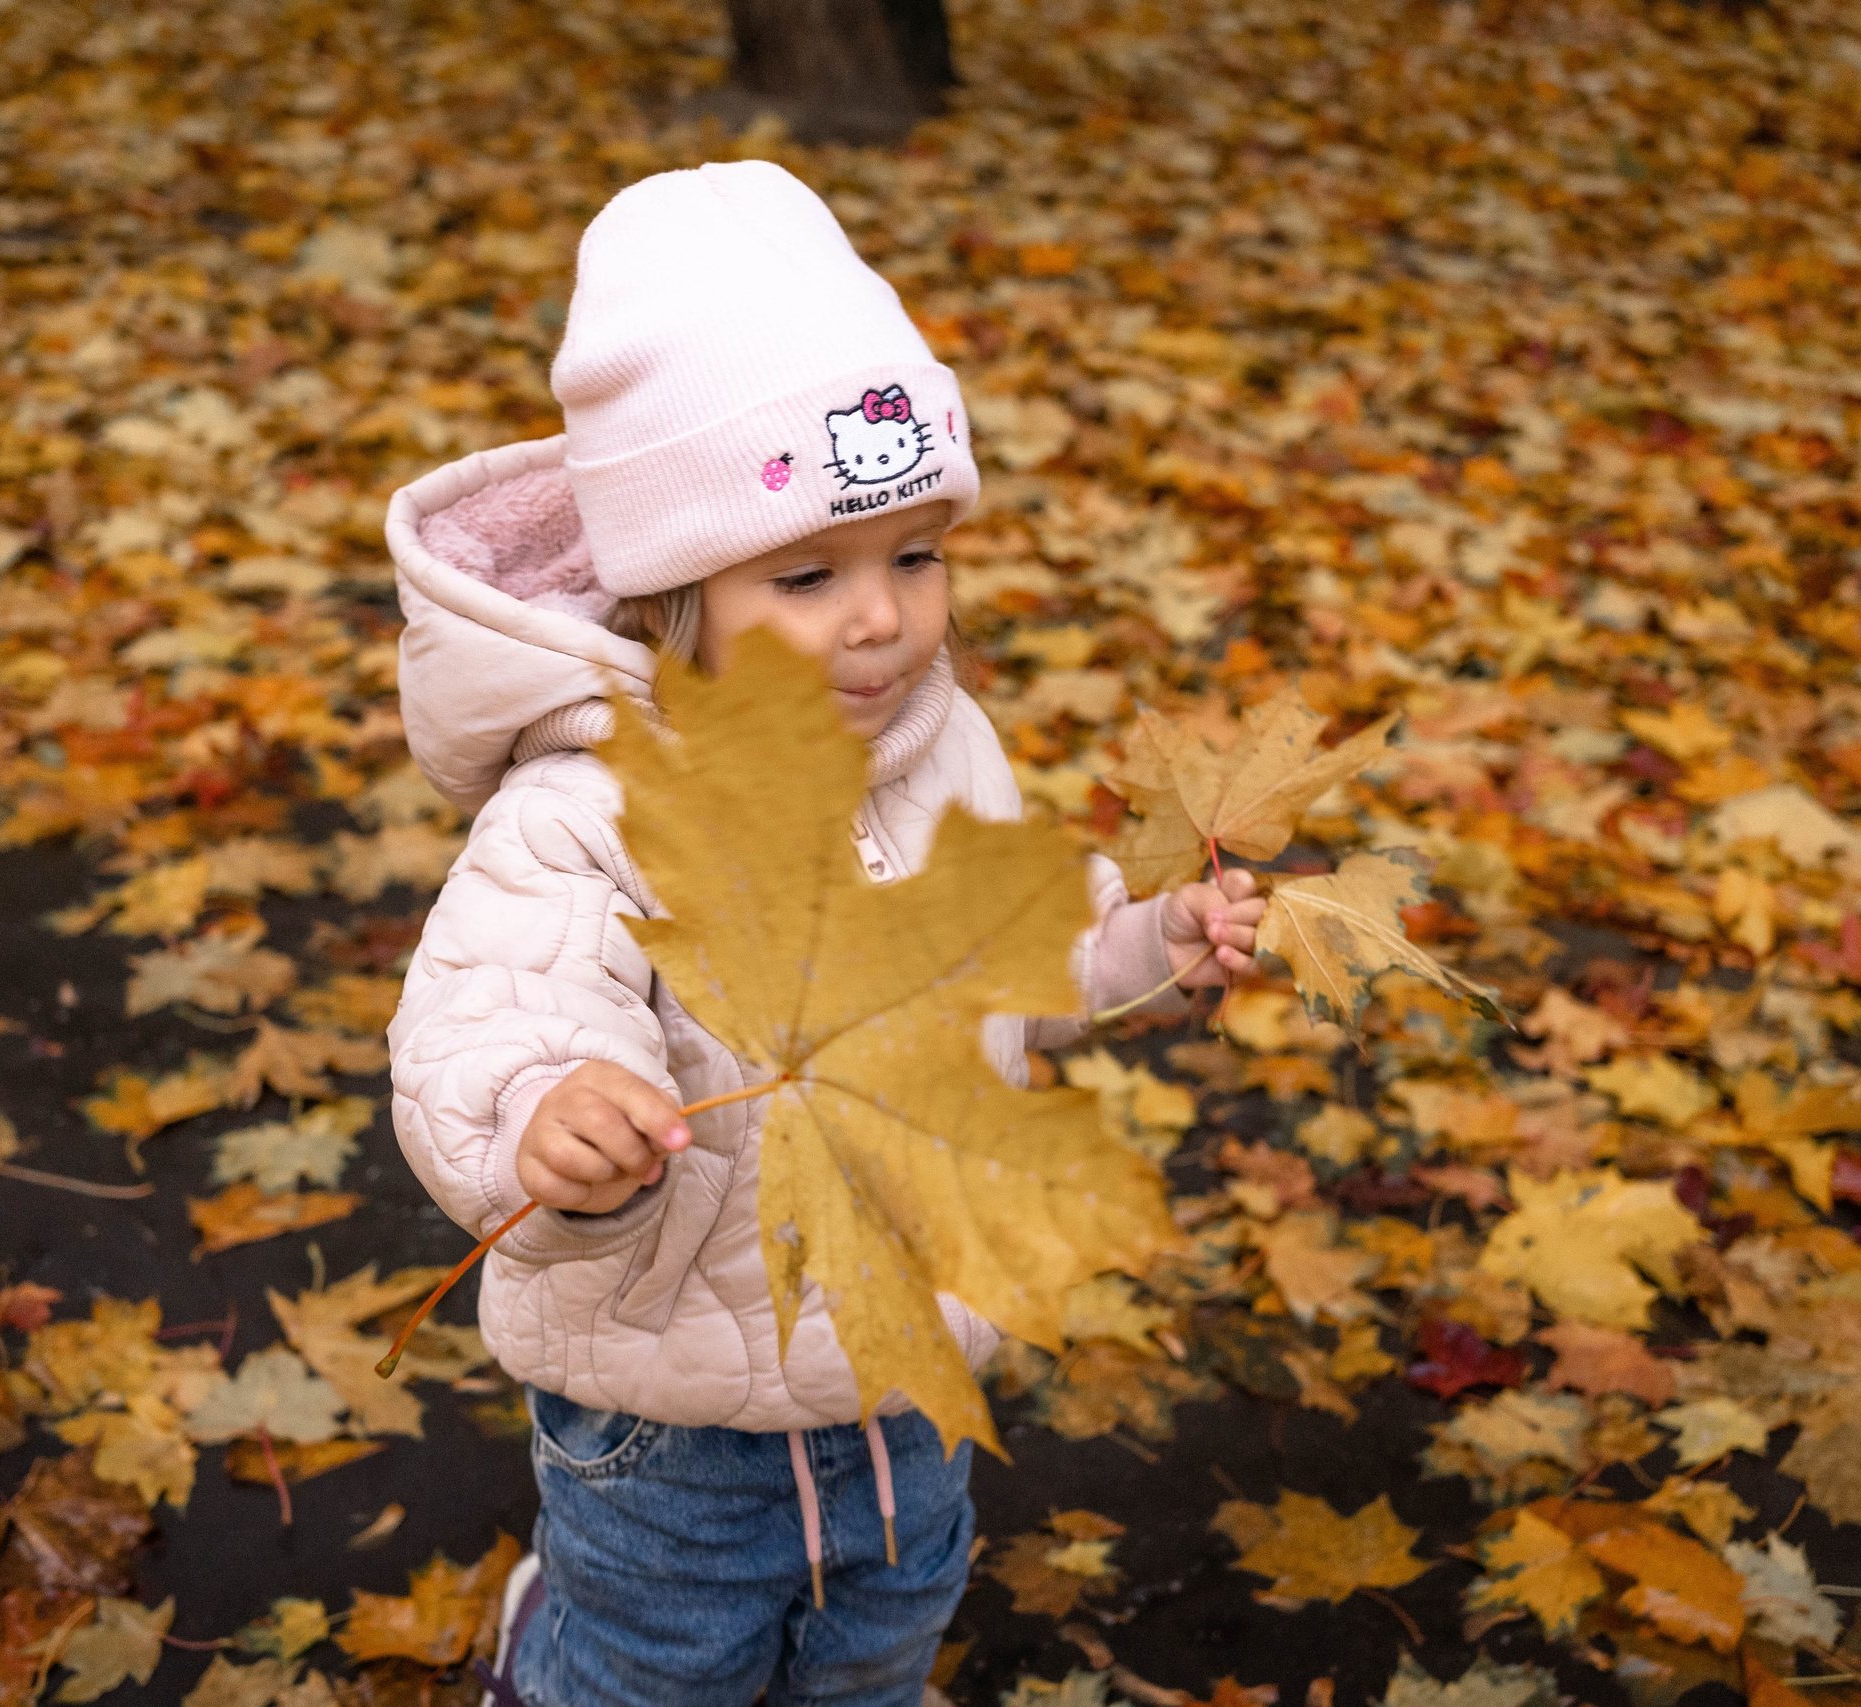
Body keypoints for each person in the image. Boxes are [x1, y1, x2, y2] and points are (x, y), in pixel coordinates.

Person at [384, 160, 1262, 1707]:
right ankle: (554, 1652)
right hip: (673, 1423)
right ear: (676, 593)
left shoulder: (943, 748)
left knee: (878, 1645)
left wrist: (1147, 944)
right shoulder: (590, 811)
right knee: (657, 1669)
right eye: (808, 574)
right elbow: (497, 1022)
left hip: (907, 1367)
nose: (880, 618)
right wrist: (548, 1119)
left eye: (914, 555)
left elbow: (1017, 951)